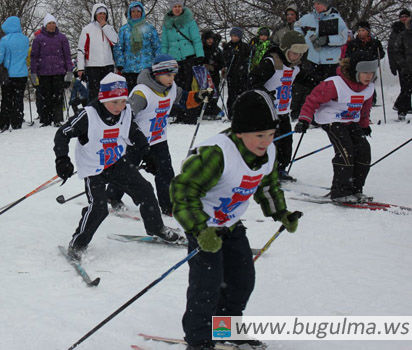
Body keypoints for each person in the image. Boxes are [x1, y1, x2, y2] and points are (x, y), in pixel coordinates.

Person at [171, 89, 299, 350]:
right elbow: (182, 192)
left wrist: (280, 212)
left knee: (241, 280)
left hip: (231, 224)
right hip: (204, 227)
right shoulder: (216, 153)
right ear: (240, 132)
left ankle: (225, 328)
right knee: (206, 285)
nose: (266, 142)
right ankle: (199, 341)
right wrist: (200, 230)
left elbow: (268, 185)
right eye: (259, 135)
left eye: (271, 135)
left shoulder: (268, 153)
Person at [53, 73, 183, 259]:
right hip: (93, 169)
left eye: (123, 101)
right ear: (103, 99)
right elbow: (62, 134)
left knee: (145, 190)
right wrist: (62, 159)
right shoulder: (88, 115)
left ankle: (157, 228)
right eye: (114, 102)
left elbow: (134, 132)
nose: (119, 107)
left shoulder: (125, 112)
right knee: (98, 208)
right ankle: (78, 243)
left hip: (115, 163)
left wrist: (147, 153)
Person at [106, 54, 211, 216]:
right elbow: (125, 117)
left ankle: (168, 206)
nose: (171, 79)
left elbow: (183, 99)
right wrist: (130, 136)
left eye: (173, 75)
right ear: (157, 73)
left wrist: (198, 96)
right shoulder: (142, 92)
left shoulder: (172, 88)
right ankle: (112, 196)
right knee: (127, 172)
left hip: (158, 139)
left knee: (165, 172)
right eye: (168, 75)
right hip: (136, 141)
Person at [295, 51, 376, 203]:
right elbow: (312, 100)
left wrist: (364, 126)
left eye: (371, 72)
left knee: (364, 150)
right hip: (331, 120)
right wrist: (304, 119)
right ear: (355, 71)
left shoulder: (368, 88)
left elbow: (365, 109)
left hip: (351, 121)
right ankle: (340, 192)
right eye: (364, 72)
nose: (368, 76)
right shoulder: (336, 84)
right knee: (346, 151)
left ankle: (355, 189)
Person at [249, 30, 308, 181]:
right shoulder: (272, 62)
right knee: (269, 144)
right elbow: (252, 81)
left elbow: (307, 81)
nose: (296, 57)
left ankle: (281, 169)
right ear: (285, 49)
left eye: (299, 54)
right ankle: (264, 170)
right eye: (293, 53)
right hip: (267, 113)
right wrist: (265, 94)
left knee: (286, 143)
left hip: (283, 111)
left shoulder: (296, 66)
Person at [293, 1, 348, 122]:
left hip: (331, 61)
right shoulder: (308, 17)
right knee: (313, 89)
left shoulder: (336, 18)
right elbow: (296, 26)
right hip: (313, 60)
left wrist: (328, 40)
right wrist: (304, 37)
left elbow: (344, 37)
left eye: (319, 3)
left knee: (330, 90)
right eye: (315, 3)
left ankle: (330, 116)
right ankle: (313, 117)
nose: (316, 6)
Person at [161, 0, 204, 122]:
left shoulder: (190, 21)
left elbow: (196, 39)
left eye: (179, 6)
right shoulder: (167, 23)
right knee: (177, 87)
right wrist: (163, 59)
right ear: (171, 8)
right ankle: (179, 114)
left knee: (189, 86)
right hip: (174, 59)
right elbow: (164, 43)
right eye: (175, 6)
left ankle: (190, 114)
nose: (177, 9)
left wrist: (200, 55)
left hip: (189, 58)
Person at [30, 14, 74, 127]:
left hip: (59, 72)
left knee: (58, 97)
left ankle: (57, 119)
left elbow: (67, 56)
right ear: (45, 25)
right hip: (43, 74)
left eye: (53, 23)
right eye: (49, 23)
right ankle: (46, 120)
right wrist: (33, 73)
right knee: (45, 97)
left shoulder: (62, 38)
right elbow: (34, 57)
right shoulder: (38, 39)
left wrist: (69, 71)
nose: (52, 25)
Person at [76, 3, 119, 104]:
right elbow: (81, 50)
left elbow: (115, 41)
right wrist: (80, 68)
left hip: (108, 65)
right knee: (94, 93)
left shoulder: (109, 28)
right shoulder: (87, 29)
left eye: (104, 13)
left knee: (108, 91)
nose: (102, 15)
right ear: (95, 14)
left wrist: (104, 26)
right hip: (93, 66)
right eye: (100, 13)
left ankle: (108, 114)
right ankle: (94, 113)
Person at [113, 1, 160, 91]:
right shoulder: (124, 30)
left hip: (146, 68)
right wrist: (120, 63)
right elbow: (118, 47)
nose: (136, 14)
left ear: (142, 13)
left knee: (147, 94)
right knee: (132, 96)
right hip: (129, 69)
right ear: (130, 13)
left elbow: (157, 46)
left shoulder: (149, 28)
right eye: (133, 11)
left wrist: (157, 63)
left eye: (138, 11)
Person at [0, 16, 29, 131]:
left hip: (9, 75)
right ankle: (17, 122)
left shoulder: (5, 40)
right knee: (19, 99)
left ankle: (4, 123)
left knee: (7, 99)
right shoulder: (25, 39)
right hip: (22, 73)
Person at [222, 27, 250, 118]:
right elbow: (224, 59)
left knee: (242, 94)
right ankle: (231, 113)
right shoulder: (227, 46)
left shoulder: (244, 46)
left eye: (236, 36)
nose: (234, 38)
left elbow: (248, 58)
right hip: (232, 74)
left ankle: (242, 113)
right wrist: (230, 54)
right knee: (232, 95)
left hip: (242, 74)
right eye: (232, 36)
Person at [389, 10, 412, 122]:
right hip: (404, 67)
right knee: (406, 89)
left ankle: (402, 106)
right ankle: (401, 110)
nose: (404, 18)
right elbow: (394, 50)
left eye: (406, 16)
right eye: (402, 16)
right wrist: (398, 64)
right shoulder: (400, 33)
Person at [201, 30, 224, 118]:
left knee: (214, 92)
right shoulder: (201, 49)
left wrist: (214, 66)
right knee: (204, 92)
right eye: (208, 39)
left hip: (214, 75)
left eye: (211, 39)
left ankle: (212, 110)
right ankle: (204, 110)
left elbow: (222, 63)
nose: (210, 41)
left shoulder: (217, 50)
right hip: (203, 76)